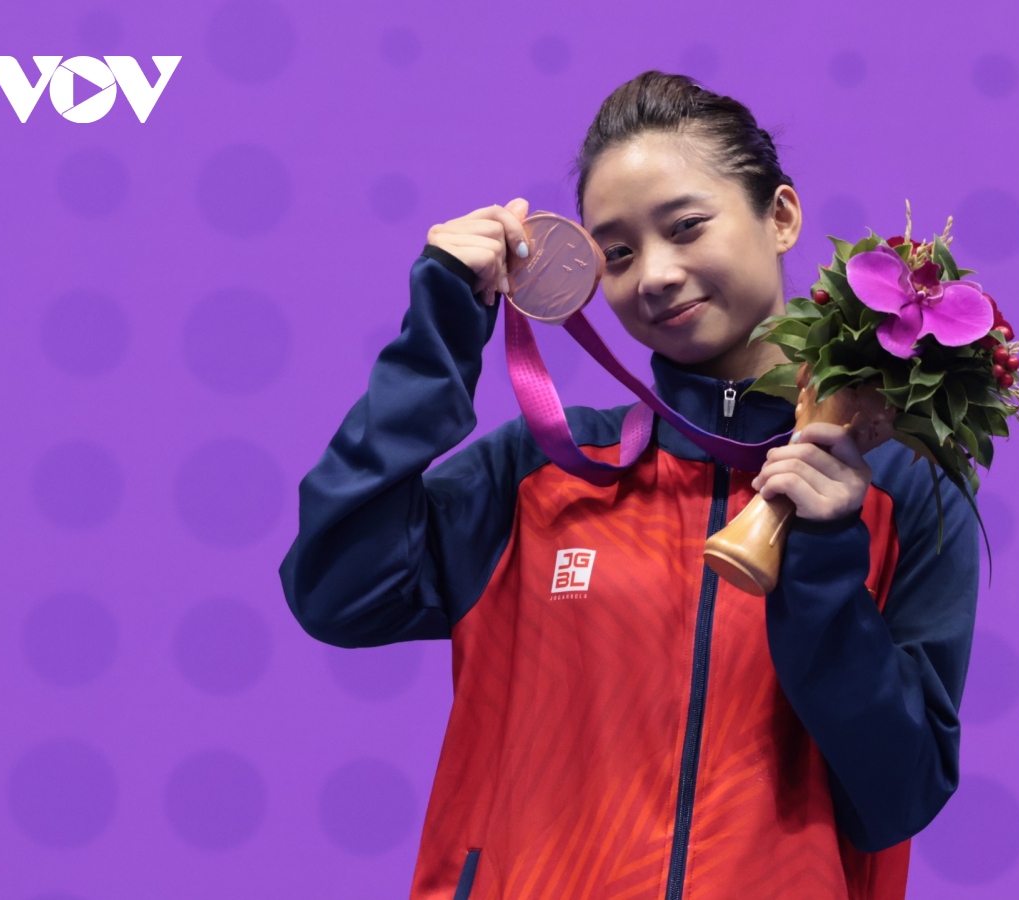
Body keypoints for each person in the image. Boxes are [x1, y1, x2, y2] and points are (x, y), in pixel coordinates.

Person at [278, 70, 980, 900]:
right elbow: (338, 592)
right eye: (617, 252)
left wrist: (823, 560)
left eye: (685, 227)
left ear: (781, 216)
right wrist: (440, 333)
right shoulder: (540, 470)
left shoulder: (897, 489)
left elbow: (897, 796)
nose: (653, 274)